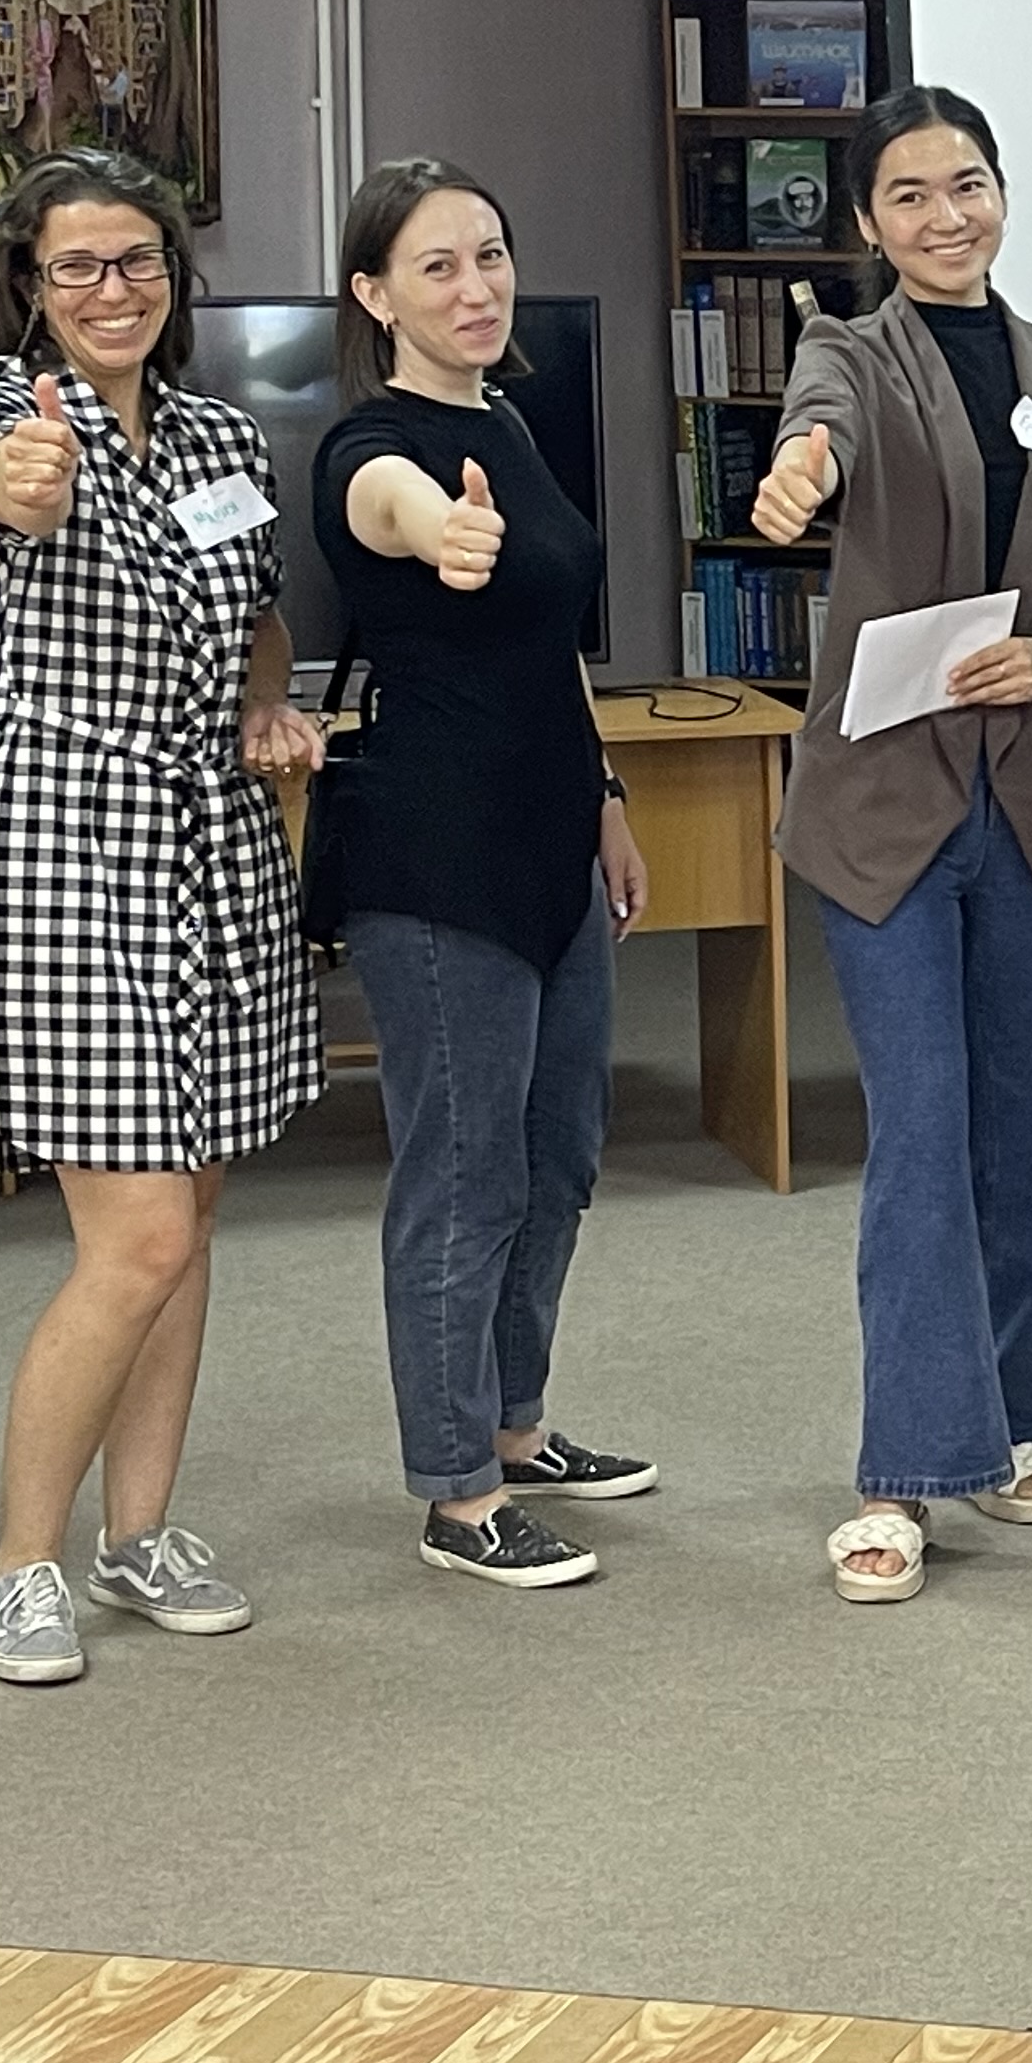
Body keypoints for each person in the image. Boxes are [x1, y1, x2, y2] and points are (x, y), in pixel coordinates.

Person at [748, 88, 1032, 1604]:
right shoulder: (850, 353)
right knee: (923, 1131)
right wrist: (802, 472)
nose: (947, 217)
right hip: (886, 808)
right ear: (870, 221)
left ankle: (1028, 1415)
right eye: (912, 196)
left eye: (969, 185)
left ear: (1002, 194)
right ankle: (907, 1470)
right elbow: (821, 428)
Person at [0, 150, 321, 1684]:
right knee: (139, 1232)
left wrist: (268, 699)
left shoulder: (219, 432)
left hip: (216, 844)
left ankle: (138, 1533)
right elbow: (3, 493)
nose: (113, 290)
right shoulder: (4, 413)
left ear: (176, 274)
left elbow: (260, 613)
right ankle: (18, 1562)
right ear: (31, 285)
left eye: (139, 261)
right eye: (78, 266)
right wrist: (23, 479)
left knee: (191, 1218)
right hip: (71, 847)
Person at [313, 158, 656, 1588]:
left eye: (492, 256)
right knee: (463, 1174)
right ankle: (457, 1494)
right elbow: (393, 508)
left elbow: (549, 642)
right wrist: (441, 532)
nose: (477, 288)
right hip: (436, 854)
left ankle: (517, 1427)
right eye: (438, 267)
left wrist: (609, 796)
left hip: (550, 831)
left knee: (557, 1154)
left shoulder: (506, 421)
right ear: (375, 295)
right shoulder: (371, 448)